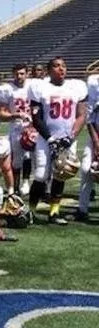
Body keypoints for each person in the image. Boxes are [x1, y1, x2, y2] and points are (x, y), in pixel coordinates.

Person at [28, 57, 88, 225]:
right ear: (48, 70)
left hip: (68, 138)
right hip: (46, 138)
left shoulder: (76, 87)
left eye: (63, 65)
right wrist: (50, 138)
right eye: (56, 66)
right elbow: (36, 118)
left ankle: (54, 212)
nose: (61, 69)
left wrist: (71, 136)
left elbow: (81, 115)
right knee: (41, 175)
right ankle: (31, 210)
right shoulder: (40, 87)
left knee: (62, 174)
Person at [0, 64, 33, 196]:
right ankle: (15, 187)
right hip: (16, 127)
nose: (19, 76)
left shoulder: (33, 87)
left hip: (32, 127)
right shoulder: (8, 90)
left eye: (22, 73)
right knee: (16, 160)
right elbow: (0, 114)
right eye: (17, 74)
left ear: (27, 74)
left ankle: (26, 182)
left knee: (30, 157)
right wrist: (15, 115)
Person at [77, 73, 99, 221]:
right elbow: (89, 116)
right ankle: (82, 210)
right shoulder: (93, 83)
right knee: (86, 169)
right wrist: (96, 141)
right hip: (96, 135)